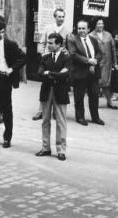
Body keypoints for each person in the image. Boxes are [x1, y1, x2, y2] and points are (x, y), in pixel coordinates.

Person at [36, 33, 71, 161]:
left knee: (61, 121)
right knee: (45, 120)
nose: (48, 45)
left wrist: (49, 73)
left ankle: (61, 150)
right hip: (46, 91)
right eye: (48, 42)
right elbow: (39, 73)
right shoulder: (45, 57)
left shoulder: (66, 58)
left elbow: (66, 74)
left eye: (51, 43)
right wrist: (57, 74)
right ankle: (45, 148)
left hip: (60, 91)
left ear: (59, 44)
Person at [33, 7, 70, 121]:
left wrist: (66, 53)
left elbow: (68, 46)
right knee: (45, 85)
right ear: (55, 17)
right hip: (48, 60)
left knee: (58, 85)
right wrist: (43, 54)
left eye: (63, 16)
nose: (61, 18)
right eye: (59, 16)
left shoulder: (67, 31)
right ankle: (41, 111)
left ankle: (55, 111)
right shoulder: (48, 28)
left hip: (59, 61)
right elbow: (42, 42)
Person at [66, 19, 104, 126]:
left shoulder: (93, 40)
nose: (81, 30)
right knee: (79, 96)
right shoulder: (73, 40)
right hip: (80, 72)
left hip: (93, 72)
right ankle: (80, 117)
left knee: (94, 95)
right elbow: (73, 54)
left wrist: (95, 60)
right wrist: (88, 60)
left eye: (83, 28)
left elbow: (100, 53)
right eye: (79, 28)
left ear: (88, 29)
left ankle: (95, 117)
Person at [91, 18, 118, 109]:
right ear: (94, 25)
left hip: (107, 63)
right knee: (96, 83)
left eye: (102, 23)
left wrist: (115, 62)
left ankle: (109, 102)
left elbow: (113, 49)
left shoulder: (108, 35)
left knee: (107, 83)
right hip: (97, 63)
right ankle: (95, 103)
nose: (100, 25)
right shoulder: (90, 35)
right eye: (98, 23)